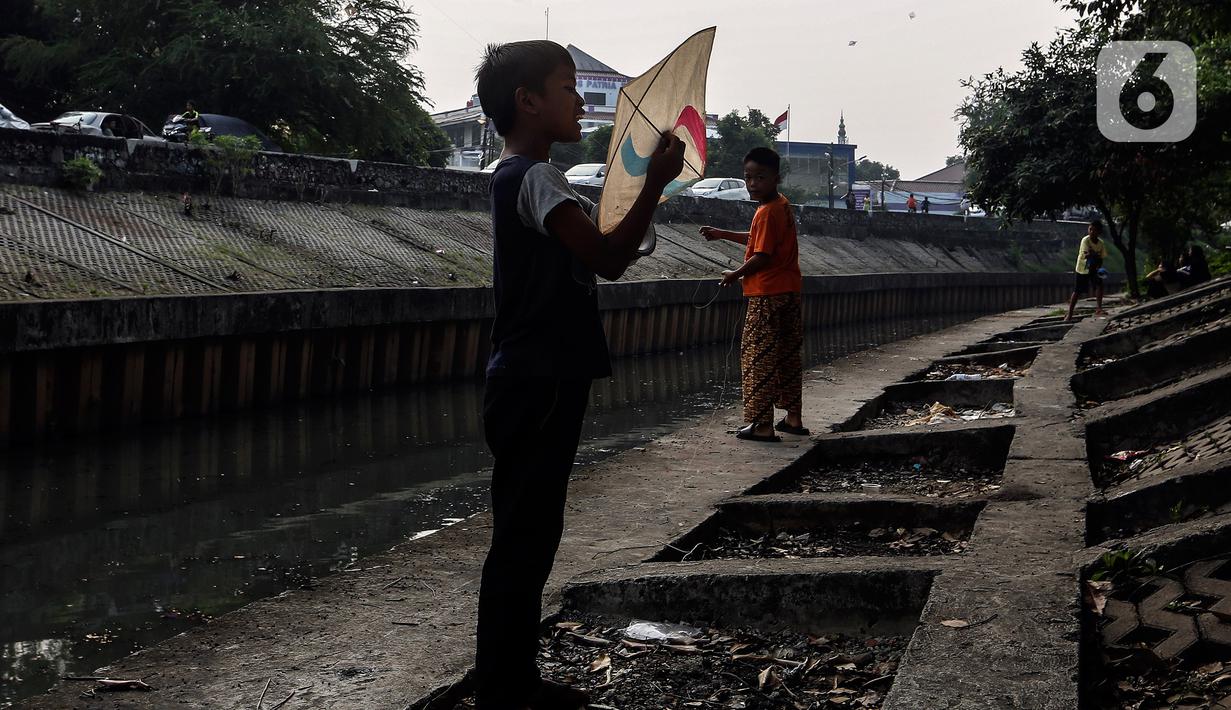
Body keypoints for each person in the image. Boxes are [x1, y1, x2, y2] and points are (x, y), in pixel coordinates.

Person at [472, 40, 684, 710]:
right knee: (524, 536)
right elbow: (609, 258)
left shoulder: (527, 178)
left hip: (530, 375)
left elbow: (598, 250)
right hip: (537, 378)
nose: (578, 100)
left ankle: (511, 680)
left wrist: (636, 200)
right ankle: (505, 688)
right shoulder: (532, 178)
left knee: (528, 532)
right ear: (526, 102)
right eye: (566, 87)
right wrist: (653, 181)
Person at [699, 147, 806, 443]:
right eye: (748, 177)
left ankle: (761, 425)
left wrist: (735, 275)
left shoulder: (767, 211)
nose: (753, 184)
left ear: (776, 178)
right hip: (790, 291)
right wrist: (723, 233)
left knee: (758, 357)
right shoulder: (781, 205)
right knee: (786, 356)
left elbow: (762, 254)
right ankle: (793, 418)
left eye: (760, 177)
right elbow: (761, 239)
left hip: (767, 295)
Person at [1064, 220, 1110, 322]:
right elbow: (1088, 254)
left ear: (1098, 232)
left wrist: (1097, 262)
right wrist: (1095, 255)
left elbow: (1101, 258)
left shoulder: (1101, 243)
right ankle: (1070, 314)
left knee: (1099, 285)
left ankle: (1099, 308)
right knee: (1077, 291)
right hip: (1083, 268)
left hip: (1094, 268)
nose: (1091, 231)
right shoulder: (1085, 240)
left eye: (1094, 230)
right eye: (1090, 229)